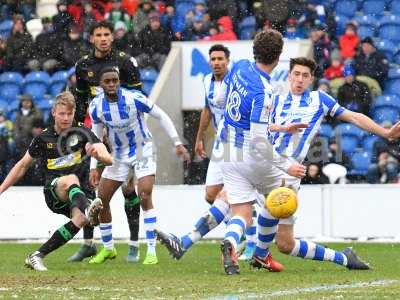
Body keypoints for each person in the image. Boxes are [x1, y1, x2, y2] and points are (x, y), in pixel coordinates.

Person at [250, 57, 400, 274]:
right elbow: (260, 129)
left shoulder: (319, 99)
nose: (300, 79)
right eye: (296, 74)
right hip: (267, 163)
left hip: (290, 173)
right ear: (289, 76)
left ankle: (343, 258)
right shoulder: (274, 100)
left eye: (305, 75)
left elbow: (354, 117)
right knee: (238, 199)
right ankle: (260, 254)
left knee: (285, 244)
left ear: (311, 79)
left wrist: (385, 132)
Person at [87, 67, 190, 265]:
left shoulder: (134, 98)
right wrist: (94, 166)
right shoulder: (96, 106)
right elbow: (96, 138)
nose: (111, 84)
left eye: (114, 80)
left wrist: (176, 142)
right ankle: (108, 249)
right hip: (117, 155)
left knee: (144, 194)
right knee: (102, 199)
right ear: (101, 84)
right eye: (107, 81)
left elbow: (161, 115)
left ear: (119, 81)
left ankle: (151, 250)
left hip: (143, 149)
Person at [0, 91, 113, 271]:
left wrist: (100, 155)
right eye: (62, 113)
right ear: (53, 113)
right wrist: (1, 189)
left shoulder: (83, 132)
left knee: (81, 219)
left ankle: (36, 255)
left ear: (74, 112)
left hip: (79, 193)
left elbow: (107, 156)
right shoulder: (43, 138)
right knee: (71, 179)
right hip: (55, 191)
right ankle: (88, 209)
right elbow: (22, 166)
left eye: (69, 113)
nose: (66, 117)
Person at [72, 20, 143, 263]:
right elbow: (80, 102)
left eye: (107, 34)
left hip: (124, 135)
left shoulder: (125, 62)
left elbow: (139, 99)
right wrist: (84, 133)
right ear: (91, 38)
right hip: (96, 134)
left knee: (128, 189)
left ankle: (134, 244)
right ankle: (89, 243)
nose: (103, 38)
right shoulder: (82, 66)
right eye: (98, 34)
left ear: (112, 37)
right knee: (93, 186)